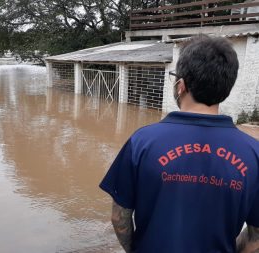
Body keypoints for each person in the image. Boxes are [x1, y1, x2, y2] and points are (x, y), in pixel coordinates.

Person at [99, 34, 259, 253]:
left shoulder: (142, 142)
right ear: (226, 88)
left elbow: (120, 217)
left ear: (181, 86)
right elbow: (256, 237)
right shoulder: (254, 153)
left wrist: (133, 249)